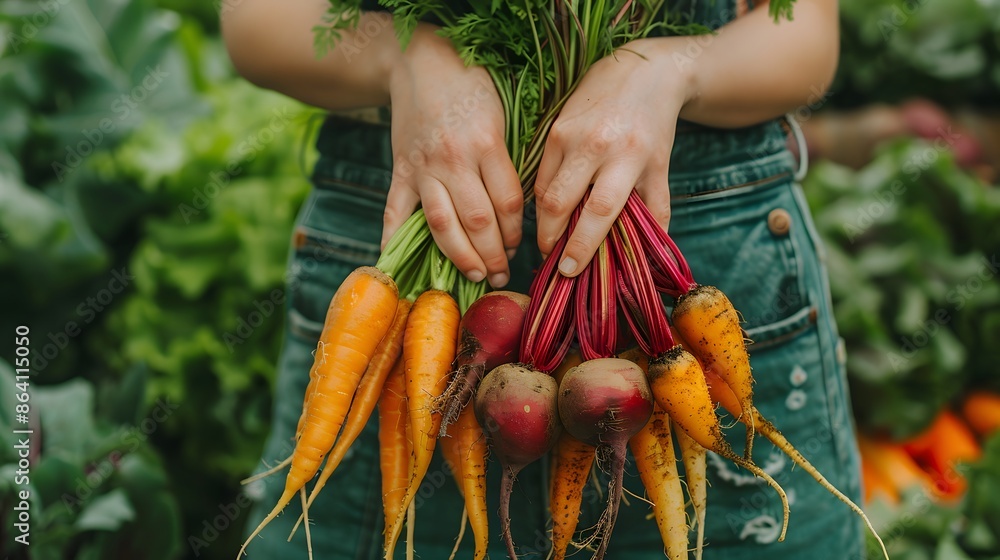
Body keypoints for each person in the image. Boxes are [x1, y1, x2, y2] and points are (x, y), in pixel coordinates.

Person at [223, 0, 865, 558]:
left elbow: (806, 35)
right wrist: (400, 58)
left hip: (689, 247)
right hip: (416, 243)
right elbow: (255, 21)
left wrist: (677, 67)